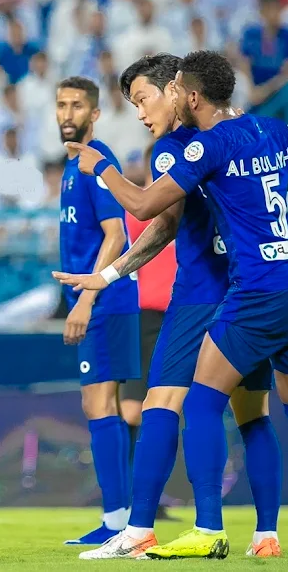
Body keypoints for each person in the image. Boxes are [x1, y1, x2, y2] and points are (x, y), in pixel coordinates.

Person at [56, 53, 288, 560]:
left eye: (144, 98)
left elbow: (154, 217)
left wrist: (105, 172)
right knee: (262, 413)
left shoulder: (187, 147)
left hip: (225, 293)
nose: (140, 112)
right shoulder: (264, 131)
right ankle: (285, 534)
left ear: (181, 92)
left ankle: (159, 528)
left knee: (175, 401)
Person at [55, 76, 140, 545]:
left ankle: (119, 523)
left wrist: (86, 300)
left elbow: (116, 234)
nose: (67, 114)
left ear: (95, 113)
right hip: (99, 300)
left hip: (106, 301)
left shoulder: (94, 164)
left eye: (77, 106)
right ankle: (119, 521)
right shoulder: (72, 167)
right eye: (62, 106)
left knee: (100, 404)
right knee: (101, 405)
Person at [117, 143, 179, 526]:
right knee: (132, 409)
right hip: (144, 318)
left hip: (181, 316)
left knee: (165, 408)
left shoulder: (187, 204)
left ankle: (147, 499)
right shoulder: (139, 210)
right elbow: (145, 212)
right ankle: (127, 499)